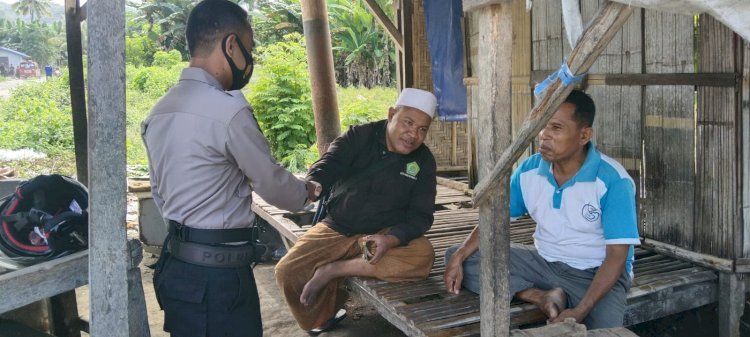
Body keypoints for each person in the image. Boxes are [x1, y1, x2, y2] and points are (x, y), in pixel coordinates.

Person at [141, 1, 319, 336]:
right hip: (219, 280)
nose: (249, 62)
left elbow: (159, 192)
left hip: (176, 269)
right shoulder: (228, 113)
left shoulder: (159, 111)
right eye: (249, 49)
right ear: (231, 44)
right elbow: (272, 184)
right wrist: (306, 192)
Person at [443, 90, 640, 329]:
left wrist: (581, 309)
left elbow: (617, 257)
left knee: (605, 332)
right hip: (544, 263)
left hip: (595, 274)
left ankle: (557, 296)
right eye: (542, 126)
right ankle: (541, 296)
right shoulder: (529, 170)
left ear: (584, 135)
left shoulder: (612, 180)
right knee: (460, 256)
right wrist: (460, 255)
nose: (544, 135)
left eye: (556, 128)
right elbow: (495, 222)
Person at [275, 88, 438, 334]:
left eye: (422, 129)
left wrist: (391, 238)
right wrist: (316, 182)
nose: (413, 134)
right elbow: (330, 162)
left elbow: (421, 215)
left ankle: (335, 269)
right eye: (408, 122)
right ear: (392, 113)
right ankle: (321, 317)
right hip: (338, 227)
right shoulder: (359, 136)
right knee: (287, 271)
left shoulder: (423, 161)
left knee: (423, 255)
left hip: (383, 234)